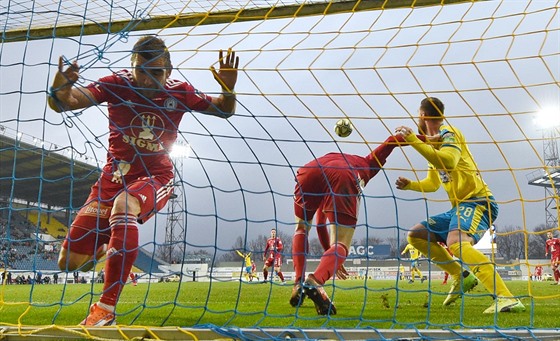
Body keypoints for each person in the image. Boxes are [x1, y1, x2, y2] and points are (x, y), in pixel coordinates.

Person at [48, 35, 239, 326]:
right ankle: (105, 247)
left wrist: (229, 89)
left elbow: (224, 109)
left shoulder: (181, 92)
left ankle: (106, 310)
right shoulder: (116, 83)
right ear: (131, 66)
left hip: (155, 177)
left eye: (156, 73)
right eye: (141, 71)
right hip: (111, 179)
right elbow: (68, 102)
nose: (147, 80)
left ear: (169, 72)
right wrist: (59, 88)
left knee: (125, 205)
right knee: (69, 263)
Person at [394, 97, 524, 314]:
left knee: (456, 243)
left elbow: (450, 162)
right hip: (460, 207)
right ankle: (460, 276)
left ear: (422, 114)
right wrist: (411, 186)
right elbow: (433, 184)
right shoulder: (434, 145)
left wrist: (414, 141)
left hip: (478, 200)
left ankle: (506, 298)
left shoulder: (449, 132)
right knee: (416, 235)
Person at [290, 134, 415, 315]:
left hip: (309, 171)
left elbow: (319, 225)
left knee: (301, 228)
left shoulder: (330, 161)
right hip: (344, 174)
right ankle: (315, 281)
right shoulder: (367, 164)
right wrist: (425, 139)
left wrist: (331, 260)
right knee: (342, 244)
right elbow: (392, 141)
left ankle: (297, 284)